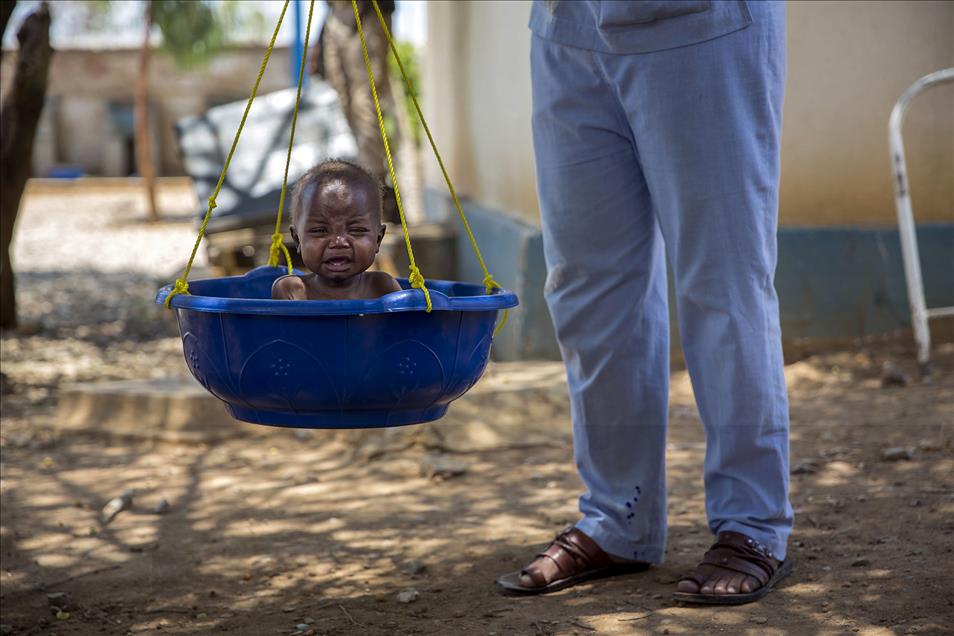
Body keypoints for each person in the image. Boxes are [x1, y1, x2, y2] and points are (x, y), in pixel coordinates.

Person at [495, 0, 794, 605]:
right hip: (566, 26)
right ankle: (617, 518)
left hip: (700, 24)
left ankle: (751, 522)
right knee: (587, 284)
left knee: (723, 281)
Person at [310, 0, 400, 223]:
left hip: (366, 12)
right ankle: (356, 181)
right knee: (338, 100)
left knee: (364, 102)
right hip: (338, 14)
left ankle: (375, 187)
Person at [272, 159, 400, 301]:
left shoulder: (382, 287)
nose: (338, 242)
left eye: (356, 230)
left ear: (378, 239)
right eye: (320, 230)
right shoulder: (293, 291)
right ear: (297, 240)